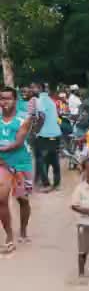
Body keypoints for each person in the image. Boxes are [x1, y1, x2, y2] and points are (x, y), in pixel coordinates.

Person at [0, 87, 34, 252]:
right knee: (1, 199)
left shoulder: (24, 119)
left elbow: (18, 143)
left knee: (23, 200)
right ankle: (9, 236)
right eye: (2, 98)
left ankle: (23, 230)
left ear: (16, 100)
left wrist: (2, 149)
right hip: (2, 164)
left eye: (8, 98)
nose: (4, 102)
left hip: (21, 163)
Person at [34, 86, 62, 192]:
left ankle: (46, 184)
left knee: (42, 160)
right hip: (56, 134)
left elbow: (41, 117)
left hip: (45, 135)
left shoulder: (40, 101)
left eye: (34, 88)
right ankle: (57, 184)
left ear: (39, 91)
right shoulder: (51, 101)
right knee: (54, 159)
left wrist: (36, 131)